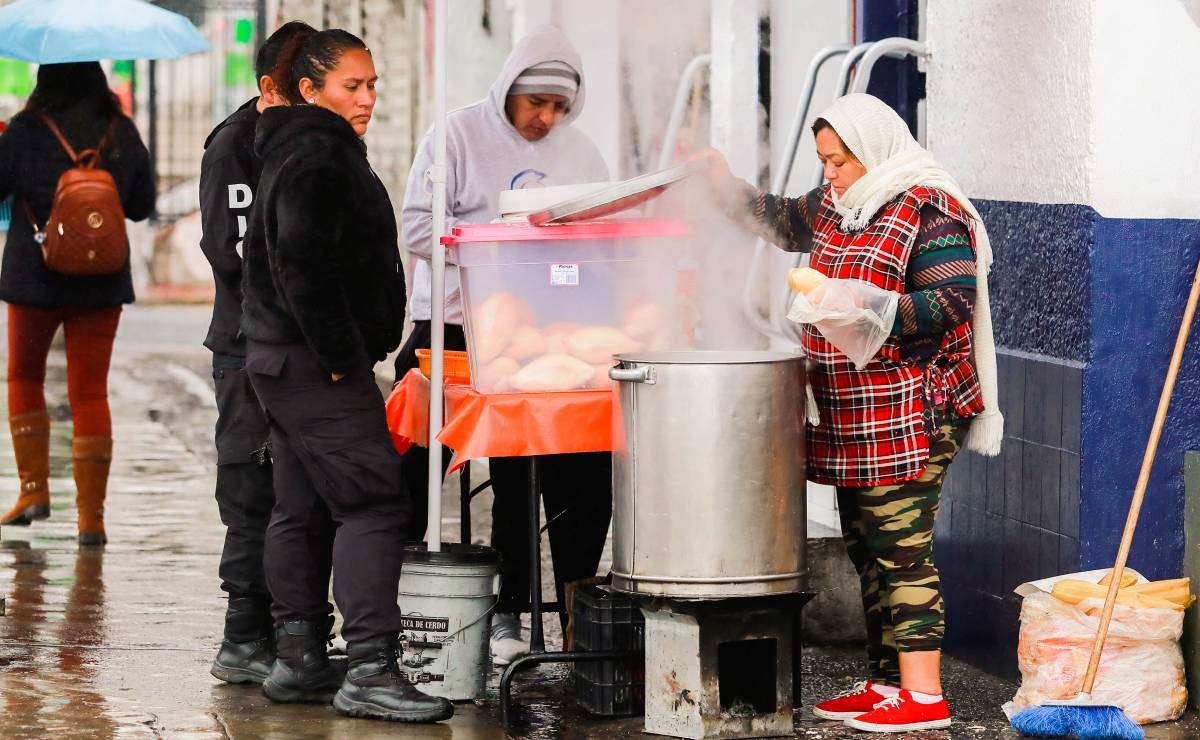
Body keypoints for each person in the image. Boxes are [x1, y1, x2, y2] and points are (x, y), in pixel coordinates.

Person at [703, 93, 1003, 734]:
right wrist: (722, 186)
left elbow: (951, 300)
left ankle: (924, 697)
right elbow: (783, 221)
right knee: (866, 548)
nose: (830, 173)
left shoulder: (928, 207)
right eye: (824, 161)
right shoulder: (838, 203)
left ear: (874, 151)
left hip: (915, 409)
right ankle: (886, 683)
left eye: (840, 161)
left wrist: (866, 307)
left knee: (902, 549)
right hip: (856, 412)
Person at [240, 29, 452, 723]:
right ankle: (370, 669)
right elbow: (302, 265)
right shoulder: (316, 155)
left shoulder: (300, 148)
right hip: (313, 364)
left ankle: (300, 657)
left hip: (284, 359)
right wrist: (340, 357)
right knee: (374, 502)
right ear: (309, 90)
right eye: (350, 86)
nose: (366, 99)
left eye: (372, 85)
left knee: (300, 505)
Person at [396, 25, 612, 666]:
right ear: (509, 89)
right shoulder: (456, 136)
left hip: (548, 333)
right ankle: (452, 608)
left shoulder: (583, 154)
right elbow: (416, 227)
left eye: (560, 106)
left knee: (581, 464)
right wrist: (493, 240)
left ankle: (576, 611)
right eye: (536, 102)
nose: (547, 117)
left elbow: (606, 235)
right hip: (454, 327)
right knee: (471, 469)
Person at [198, 20, 317, 686]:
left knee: (302, 496)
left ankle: (296, 631)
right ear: (273, 88)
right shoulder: (236, 145)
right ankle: (243, 636)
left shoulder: (317, 144)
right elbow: (230, 250)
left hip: (306, 351)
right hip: (247, 349)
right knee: (252, 493)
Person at [0, 63, 155, 545]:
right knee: (90, 393)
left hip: (34, 275)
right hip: (101, 282)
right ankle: (91, 519)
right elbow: (142, 206)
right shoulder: (120, 131)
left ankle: (33, 491)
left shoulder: (26, 129)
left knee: (24, 377)